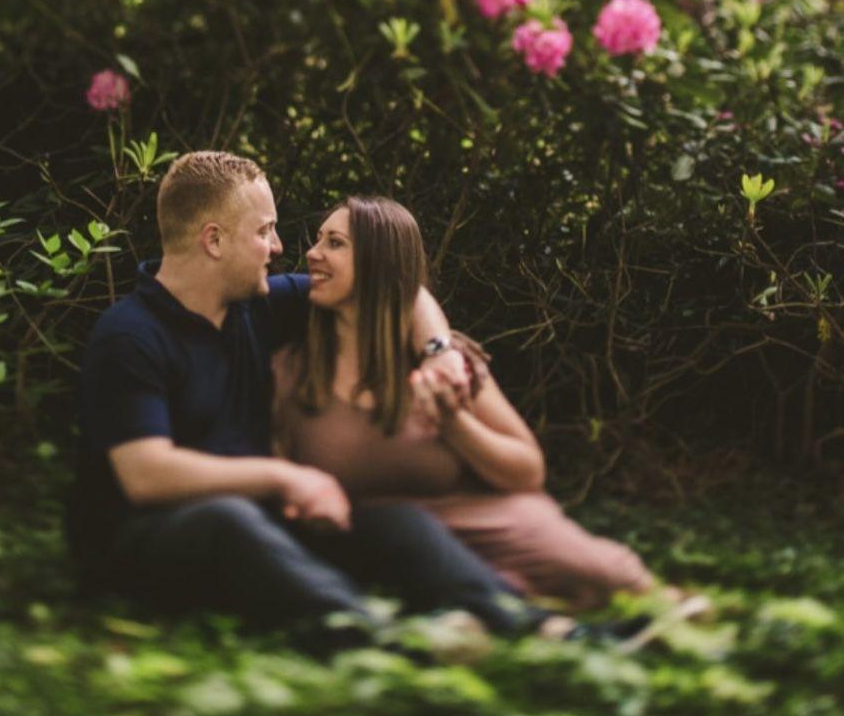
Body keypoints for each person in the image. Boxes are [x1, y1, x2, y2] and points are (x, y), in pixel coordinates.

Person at [70, 152, 597, 653]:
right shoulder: (131, 336)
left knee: (396, 522)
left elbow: (397, 290)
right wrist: (285, 478)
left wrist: (437, 353)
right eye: (263, 231)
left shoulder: (254, 308)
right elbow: (147, 473)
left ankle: (541, 629)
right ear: (213, 240)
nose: (277, 247)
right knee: (227, 519)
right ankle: (389, 646)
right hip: (142, 544)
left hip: (256, 527)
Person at [273, 195, 659, 612]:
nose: (312, 254)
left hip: (480, 519)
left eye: (335, 243)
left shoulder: (446, 363)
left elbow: (527, 471)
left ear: (378, 263)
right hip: (376, 536)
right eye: (318, 240)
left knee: (608, 577)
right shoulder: (289, 371)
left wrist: (453, 421)